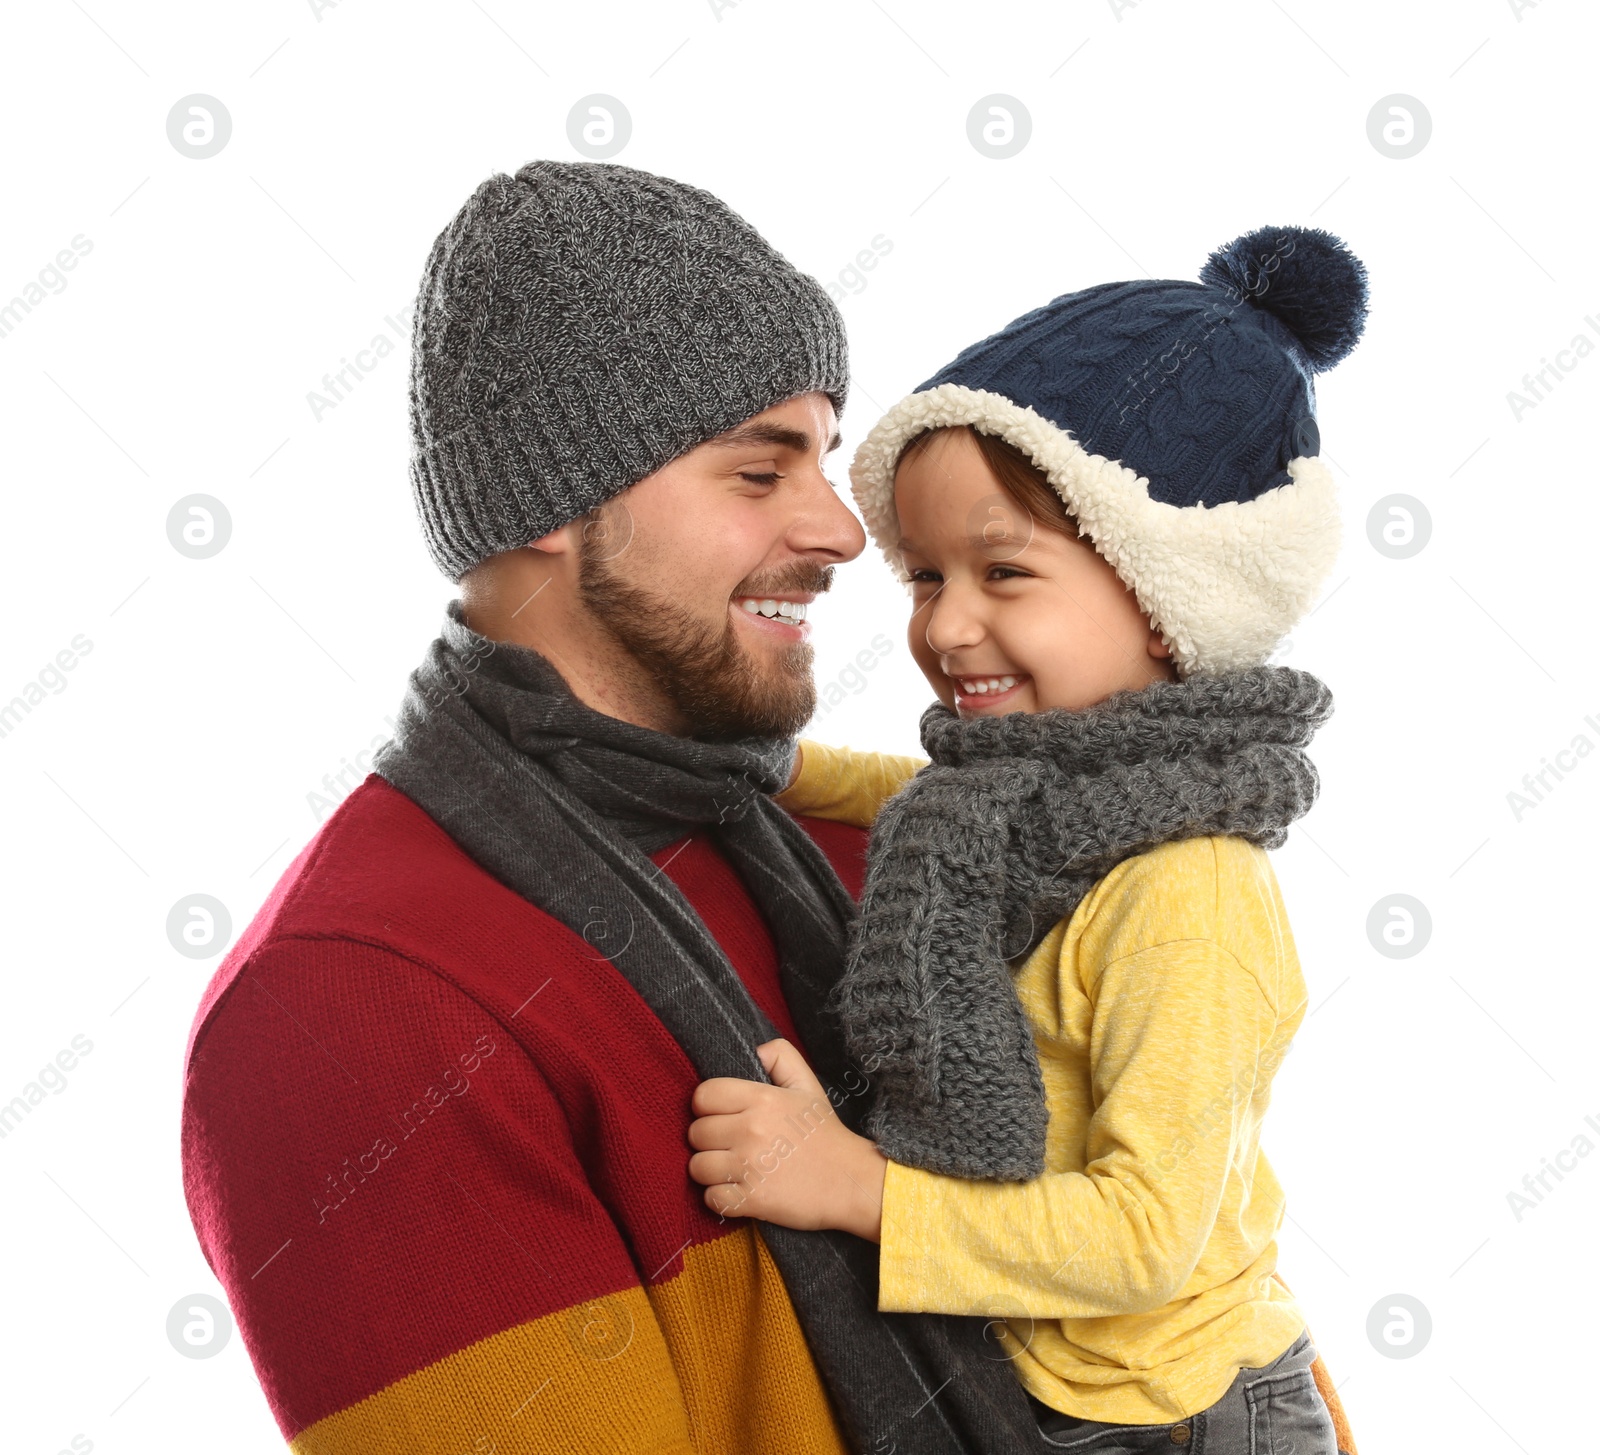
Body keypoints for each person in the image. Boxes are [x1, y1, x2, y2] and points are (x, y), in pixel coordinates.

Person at [179, 161, 1051, 1453]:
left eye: (821, 453)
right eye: (759, 473)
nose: (840, 529)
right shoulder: (348, 1008)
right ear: (548, 512)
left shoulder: (894, 856)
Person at [690, 226, 1368, 1453]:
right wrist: (777, 767)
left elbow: (1142, 1240)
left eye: (1002, 573)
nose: (946, 627)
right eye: (923, 576)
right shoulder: (1030, 806)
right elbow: (915, 790)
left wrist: (858, 1191)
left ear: (1166, 603)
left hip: (1171, 1419)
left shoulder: (1188, 899)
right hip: (1060, 1394)